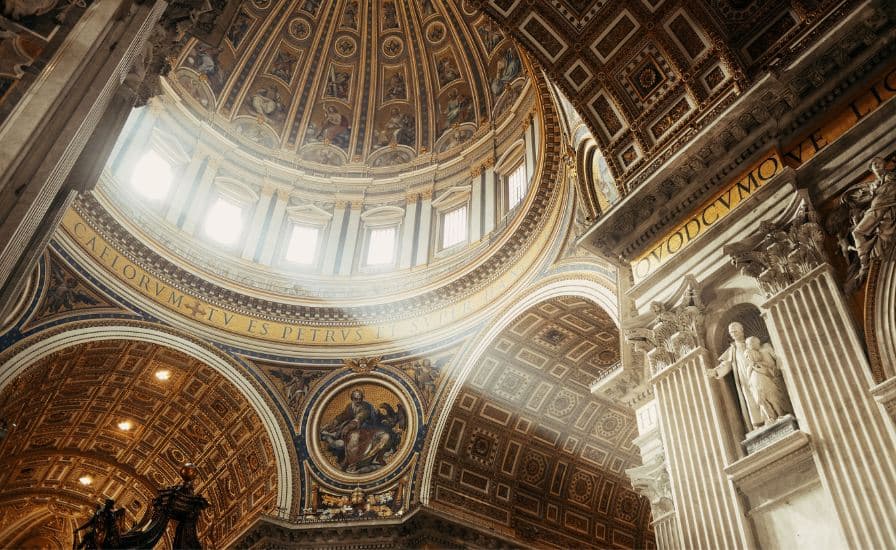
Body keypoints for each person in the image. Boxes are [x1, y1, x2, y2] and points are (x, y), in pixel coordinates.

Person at [707, 322, 792, 431]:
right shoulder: (732, 349)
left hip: (761, 373)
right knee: (756, 399)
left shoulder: (751, 342)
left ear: (742, 330)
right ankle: (765, 420)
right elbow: (726, 364)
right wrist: (715, 371)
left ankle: (779, 413)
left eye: (735, 331)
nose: (733, 334)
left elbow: (765, 354)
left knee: (770, 393)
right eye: (731, 332)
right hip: (746, 378)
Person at [320, 389, 403, 474]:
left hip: (370, 428)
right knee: (351, 437)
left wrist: (350, 425)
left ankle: (368, 460)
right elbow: (343, 416)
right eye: (356, 399)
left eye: (360, 399)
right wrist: (335, 422)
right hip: (359, 429)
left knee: (380, 437)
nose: (358, 401)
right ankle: (350, 460)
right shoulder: (350, 406)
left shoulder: (365, 406)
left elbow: (360, 416)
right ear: (352, 398)